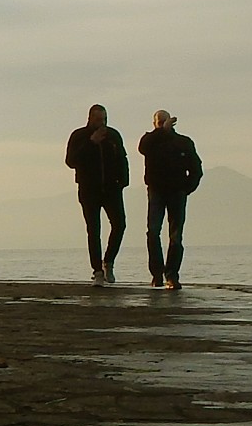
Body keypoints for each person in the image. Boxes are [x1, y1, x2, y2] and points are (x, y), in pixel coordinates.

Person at [137, 109, 205, 290]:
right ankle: (157, 274)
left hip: (177, 192)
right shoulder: (149, 141)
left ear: (171, 122)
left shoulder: (183, 142)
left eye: (164, 121)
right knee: (152, 232)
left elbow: (196, 168)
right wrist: (161, 132)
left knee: (175, 237)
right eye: (158, 122)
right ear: (154, 124)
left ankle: (172, 275)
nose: (161, 124)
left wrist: (186, 188)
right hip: (156, 191)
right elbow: (142, 148)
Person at [64, 103, 129, 283]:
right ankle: (97, 271)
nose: (102, 123)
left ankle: (108, 262)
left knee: (120, 224)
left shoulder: (113, 136)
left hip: (112, 189)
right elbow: (71, 161)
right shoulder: (79, 136)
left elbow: (122, 158)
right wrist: (91, 142)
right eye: (99, 120)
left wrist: (123, 181)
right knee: (93, 230)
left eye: (105, 120)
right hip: (88, 189)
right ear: (90, 119)